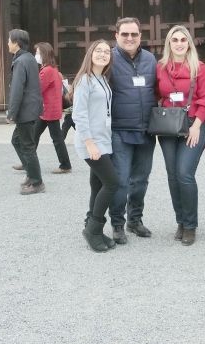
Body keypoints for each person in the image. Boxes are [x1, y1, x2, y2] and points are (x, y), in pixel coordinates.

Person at [155, 25, 205, 246]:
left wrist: (197, 125)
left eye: (183, 39)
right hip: (168, 125)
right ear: (169, 43)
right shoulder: (160, 68)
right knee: (172, 175)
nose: (179, 43)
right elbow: (154, 94)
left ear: (188, 43)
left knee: (184, 173)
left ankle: (190, 225)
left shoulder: (198, 67)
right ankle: (180, 220)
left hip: (192, 124)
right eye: (174, 40)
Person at [108, 17, 158, 244]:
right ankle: (117, 223)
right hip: (120, 130)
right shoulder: (107, 58)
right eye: (125, 34)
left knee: (141, 180)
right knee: (120, 180)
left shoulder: (150, 59)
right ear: (116, 35)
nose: (130, 38)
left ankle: (135, 219)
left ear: (140, 36)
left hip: (147, 131)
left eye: (134, 34)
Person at [72, 39, 118, 252]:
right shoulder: (85, 80)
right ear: (90, 54)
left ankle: (94, 230)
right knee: (112, 183)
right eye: (98, 51)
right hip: (91, 141)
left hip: (103, 139)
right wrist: (89, 143)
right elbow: (79, 115)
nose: (102, 54)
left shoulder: (102, 79)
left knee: (98, 185)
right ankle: (93, 229)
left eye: (106, 51)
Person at [6, 29, 44, 194]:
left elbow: (17, 89)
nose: (7, 43)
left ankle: (37, 182)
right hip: (32, 108)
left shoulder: (21, 61)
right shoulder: (28, 58)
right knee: (17, 140)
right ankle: (31, 173)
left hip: (25, 110)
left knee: (27, 146)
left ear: (16, 42)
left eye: (9, 40)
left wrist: (11, 112)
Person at [32, 42, 72, 174]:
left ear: (43, 54)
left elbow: (38, 89)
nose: (36, 55)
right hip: (50, 109)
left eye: (37, 53)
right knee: (36, 135)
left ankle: (65, 165)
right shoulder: (53, 69)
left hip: (48, 110)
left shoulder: (47, 71)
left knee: (56, 138)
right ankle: (27, 160)